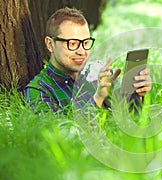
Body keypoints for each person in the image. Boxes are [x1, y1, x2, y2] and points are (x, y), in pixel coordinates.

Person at [24, 7, 152, 114]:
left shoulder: (100, 72)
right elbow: (59, 135)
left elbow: (128, 120)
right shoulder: (38, 90)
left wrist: (138, 95)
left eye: (85, 42)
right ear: (50, 44)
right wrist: (98, 98)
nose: (82, 51)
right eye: (72, 44)